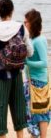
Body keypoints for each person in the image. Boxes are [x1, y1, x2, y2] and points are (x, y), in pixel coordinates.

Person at [0, 0, 34, 138]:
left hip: (0, 76)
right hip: (16, 75)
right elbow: (30, 52)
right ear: (12, 11)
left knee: (0, 110)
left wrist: (1, 57)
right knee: (18, 109)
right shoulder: (21, 28)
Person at [23, 9, 50, 138]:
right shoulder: (31, 39)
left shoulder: (39, 40)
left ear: (32, 23)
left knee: (41, 111)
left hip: (38, 81)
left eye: (26, 22)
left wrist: (27, 63)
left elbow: (45, 63)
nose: (24, 24)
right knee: (34, 112)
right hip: (31, 80)